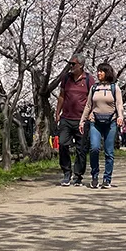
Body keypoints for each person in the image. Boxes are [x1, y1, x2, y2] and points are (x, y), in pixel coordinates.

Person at [80, 62, 125, 188]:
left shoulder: (114, 88)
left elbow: (119, 105)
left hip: (111, 122)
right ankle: (94, 176)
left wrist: (120, 116)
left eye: (101, 71)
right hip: (95, 121)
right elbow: (88, 105)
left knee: (108, 151)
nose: (99, 73)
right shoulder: (94, 88)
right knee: (94, 148)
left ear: (107, 73)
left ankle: (107, 179)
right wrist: (82, 121)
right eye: (98, 71)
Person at [55, 53, 94, 186]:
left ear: (81, 66)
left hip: (81, 119)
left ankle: (78, 175)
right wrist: (57, 112)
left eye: (73, 64)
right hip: (66, 117)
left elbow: (92, 99)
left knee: (81, 148)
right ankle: (66, 172)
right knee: (63, 144)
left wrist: (90, 114)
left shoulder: (89, 79)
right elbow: (61, 96)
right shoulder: (66, 78)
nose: (70, 66)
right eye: (70, 64)